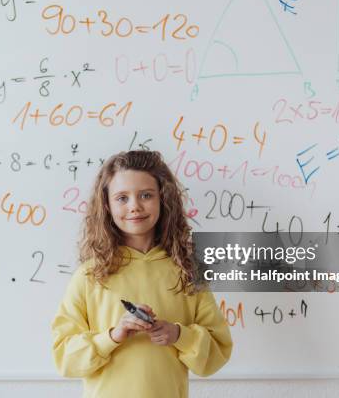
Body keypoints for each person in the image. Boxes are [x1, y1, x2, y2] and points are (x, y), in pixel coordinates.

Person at [51, 150, 232, 398]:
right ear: (107, 205)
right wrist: (113, 337)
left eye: (146, 195)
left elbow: (217, 354)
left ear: (163, 199)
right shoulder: (90, 275)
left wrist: (179, 334)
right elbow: (64, 358)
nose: (135, 206)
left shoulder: (188, 271)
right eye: (122, 198)